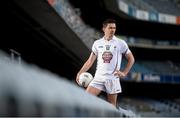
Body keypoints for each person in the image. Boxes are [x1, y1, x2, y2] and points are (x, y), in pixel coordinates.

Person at [76, 19, 135, 107]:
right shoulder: (97, 43)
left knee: (112, 107)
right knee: (86, 100)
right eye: (110, 28)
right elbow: (89, 61)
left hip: (112, 79)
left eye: (114, 28)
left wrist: (124, 73)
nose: (113, 30)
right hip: (98, 78)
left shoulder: (121, 43)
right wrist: (80, 73)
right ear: (104, 29)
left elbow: (131, 59)